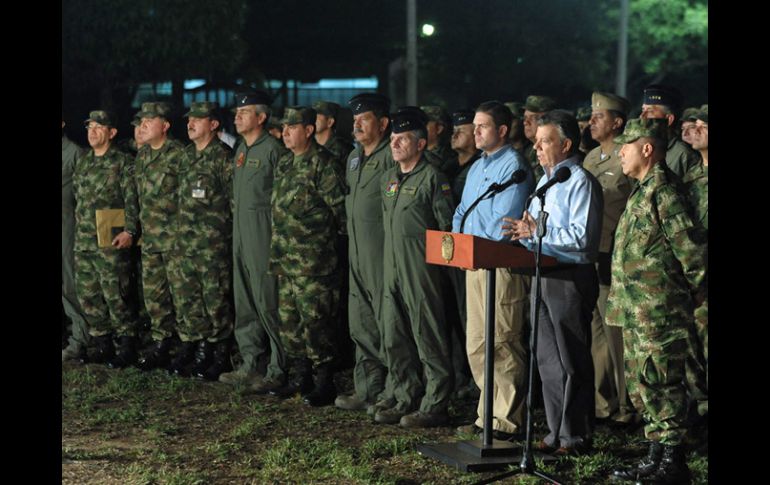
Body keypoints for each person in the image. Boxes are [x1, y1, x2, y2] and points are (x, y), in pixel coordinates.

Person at [606, 118, 706, 483]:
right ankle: (655, 454)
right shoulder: (643, 190)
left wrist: (693, 292)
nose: (620, 152)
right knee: (643, 385)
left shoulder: (664, 192)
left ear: (647, 149)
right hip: (637, 310)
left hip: (660, 310)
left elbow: (692, 252)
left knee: (663, 382)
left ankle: (673, 462)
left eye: (627, 146)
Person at [503, 109, 603, 455]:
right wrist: (523, 235)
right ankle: (554, 430)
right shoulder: (546, 182)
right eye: (536, 143)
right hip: (541, 273)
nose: (537, 149)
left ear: (566, 144)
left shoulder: (580, 182)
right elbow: (536, 231)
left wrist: (537, 232)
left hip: (569, 277)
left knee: (571, 358)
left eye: (545, 142)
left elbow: (581, 239)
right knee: (547, 359)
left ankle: (575, 435)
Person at [452, 101, 534, 441]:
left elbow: (504, 224)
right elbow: (461, 209)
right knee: (477, 341)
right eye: (474, 125)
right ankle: (487, 413)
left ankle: (505, 420)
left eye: (483, 126)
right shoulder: (477, 166)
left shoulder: (513, 166)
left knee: (502, 340)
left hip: (499, 264)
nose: (475, 132)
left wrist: (473, 239)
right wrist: (458, 237)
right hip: (473, 261)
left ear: (502, 130)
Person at [374, 110, 456, 428]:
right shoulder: (389, 179)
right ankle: (404, 395)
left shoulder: (433, 178)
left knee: (427, 333)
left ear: (420, 143)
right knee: (394, 333)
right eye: (392, 138)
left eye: (402, 138)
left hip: (421, 268)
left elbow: (446, 228)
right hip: (391, 265)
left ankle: (436, 402)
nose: (394, 143)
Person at [268, 106, 347, 406]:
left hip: (314, 263)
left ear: (309, 130)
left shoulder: (324, 165)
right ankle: (300, 377)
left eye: (291, 127)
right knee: (289, 322)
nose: (285, 133)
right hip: (285, 260)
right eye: (284, 128)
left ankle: (324, 381)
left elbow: (341, 213)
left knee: (317, 323)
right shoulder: (285, 164)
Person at [221, 91, 289, 390]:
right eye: (237, 111)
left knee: (268, 300)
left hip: (264, 232)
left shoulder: (273, 149)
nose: (237, 116)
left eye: (245, 111)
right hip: (241, 232)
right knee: (245, 300)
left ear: (261, 118)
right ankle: (251, 363)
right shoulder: (241, 149)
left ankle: (279, 367)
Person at [333, 93, 394, 413]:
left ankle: (393, 391)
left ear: (383, 124)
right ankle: (367, 388)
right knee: (362, 324)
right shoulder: (354, 158)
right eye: (354, 119)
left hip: (382, 253)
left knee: (389, 325)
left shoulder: (391, 157)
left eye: (364, 119)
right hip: (357, 251)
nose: (356, 124)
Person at [168, 101, 235, 380]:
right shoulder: (184, 157)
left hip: (213, 246)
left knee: (215, 299)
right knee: (189, 299)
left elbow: (234, 202)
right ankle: (197, 347)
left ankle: (220, 352)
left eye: (198, 119)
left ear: (214, 124)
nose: (190, 123)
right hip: (186, 244)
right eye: (189, 119)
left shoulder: (223, 157)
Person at [583, 92, 637, 426]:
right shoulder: (590, 157)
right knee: (596, 332)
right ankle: (603, 405)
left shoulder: (625, 157)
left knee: (617, 334)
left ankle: (627, 405)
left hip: (613, 256)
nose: (591, 122)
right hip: (588, 254)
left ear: (617, 123)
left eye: (598, 116)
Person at [72, 110, 141, 367]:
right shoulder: (84, 161)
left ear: (111, 133)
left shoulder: (122, 162)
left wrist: (130, 231)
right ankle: (102, 341)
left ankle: (127, 343)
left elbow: (132, 199)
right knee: (89, 293)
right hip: (84, 239)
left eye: (99, 127)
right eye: (90, 126)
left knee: (116, 292)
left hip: (111, 237)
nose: (92, 131)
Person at [133, 101, 187, 371]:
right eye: (141, 120)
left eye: (149, 121)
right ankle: (161, 344)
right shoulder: (143, 156)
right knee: (155, 297)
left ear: (164, 126)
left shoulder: (179, 155)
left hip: (175, 240)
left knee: (182, 295)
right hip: (151, 240)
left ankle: (189, 345)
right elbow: (138, 199)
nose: (142, 125)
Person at [62, 118, 90, 362]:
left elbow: (85, 195)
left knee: (69, 284)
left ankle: (79, 338)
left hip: (67, 228)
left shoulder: (74, 153)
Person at [639, 84, 701, 180]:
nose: (642, 116)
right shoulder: (638, 148)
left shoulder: (683, 156)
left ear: (669, 120)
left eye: (650, 111)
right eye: (643, 110)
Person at [522, 95, 557, 180]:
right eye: (525, 117)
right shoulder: (528, 152)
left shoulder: (557, 152)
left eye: (533, 117)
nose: (526, 122)